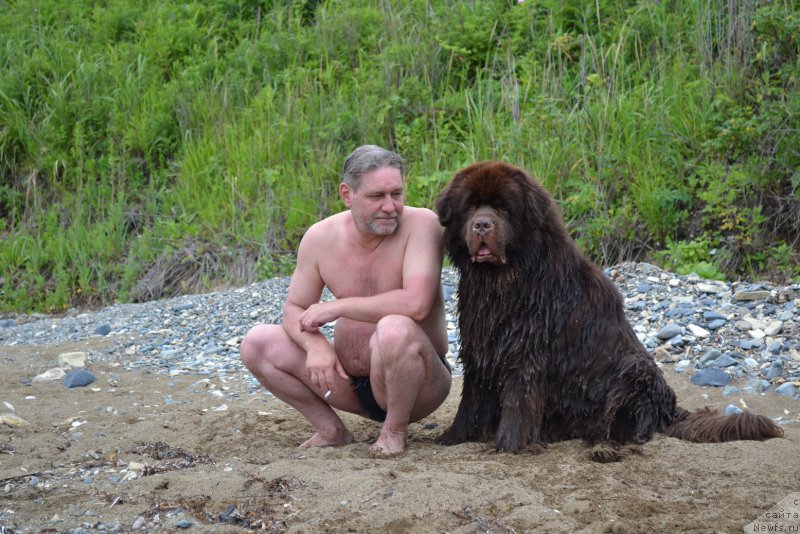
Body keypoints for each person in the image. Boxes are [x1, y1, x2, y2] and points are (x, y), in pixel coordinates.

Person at [240, 145, 452, 457]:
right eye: (377, 196)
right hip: (346, 383)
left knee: (394, 328)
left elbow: (416, 303)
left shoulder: (422, 225)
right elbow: (294, 308)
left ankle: (394, 430)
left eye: (397, 193)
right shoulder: (320, 237)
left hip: (419, 385)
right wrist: (316, 347)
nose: (390, 206)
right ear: (346, 194)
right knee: (256, 342)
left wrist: (337, 307)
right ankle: (330, 429)